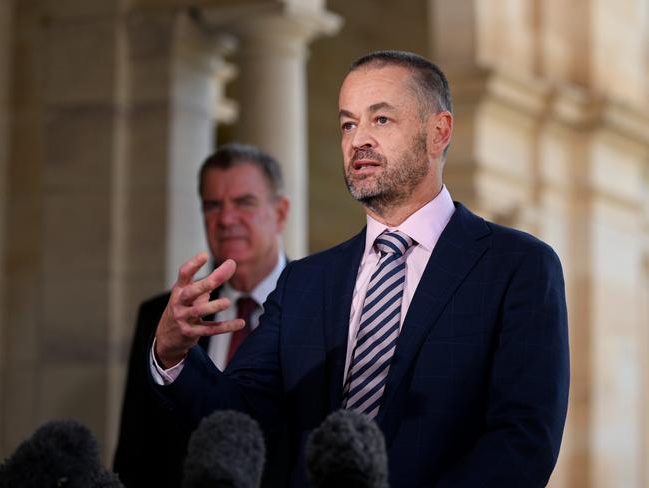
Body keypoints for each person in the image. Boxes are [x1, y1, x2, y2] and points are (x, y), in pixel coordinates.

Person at [151, 51, 570, 487]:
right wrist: (172, 355)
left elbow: (523, 442)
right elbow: (236, 420)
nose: (359, 140)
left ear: (438, 132)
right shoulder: (304, 283)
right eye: (348, 124)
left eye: (381, 120)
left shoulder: (517, 267)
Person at [113, 143, 290, 487]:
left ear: (280, 213)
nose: (225, 219)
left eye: (244, 203)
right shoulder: (164, 317)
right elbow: (136, 454)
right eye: (212, 205)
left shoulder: (322, 305)